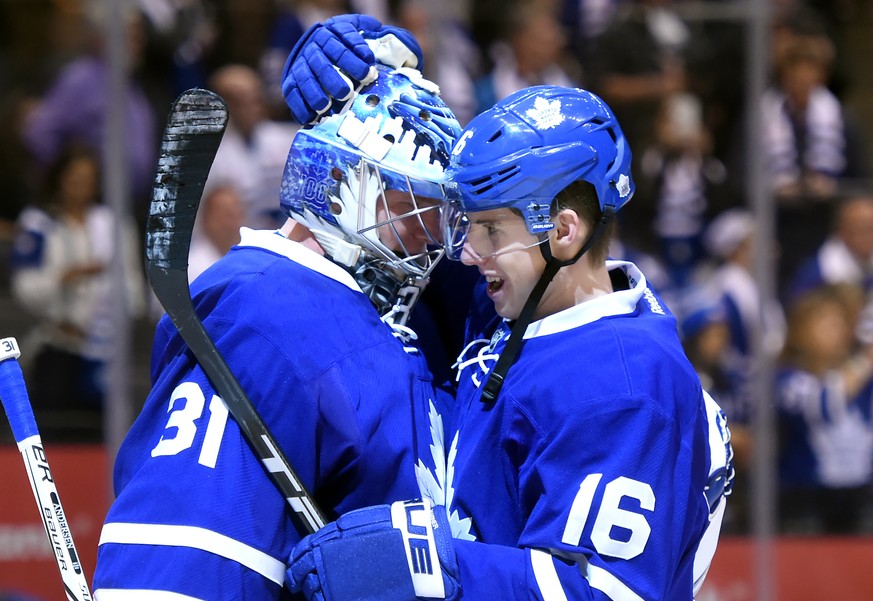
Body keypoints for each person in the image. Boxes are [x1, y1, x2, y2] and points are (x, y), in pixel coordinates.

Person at [281, 25, 734, 599]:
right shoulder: (525, 300)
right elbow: (400, 241)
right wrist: (363, 84)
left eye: (491, 228)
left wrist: (431, 569)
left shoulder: (623, 384)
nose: (467, 252)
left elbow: (603, 591)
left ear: (564, 231)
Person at [92, 61, 462, 599]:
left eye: (439, 218)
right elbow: (183, 552)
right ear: (339, 185)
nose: (428, 240)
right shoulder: (273, 309)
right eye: (410, 207)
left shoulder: (352, 317)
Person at [10, 144, 146, 440]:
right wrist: (63, 279)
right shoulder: (39, 224)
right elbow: (24, 288)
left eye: (88, 179)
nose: (81, 187)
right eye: (74, 179)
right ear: (59, 179)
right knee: (55, 431)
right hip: (57, 343)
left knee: (102, 434)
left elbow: (133, 286)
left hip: (104, 347)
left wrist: (114, 320)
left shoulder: (113, 224)